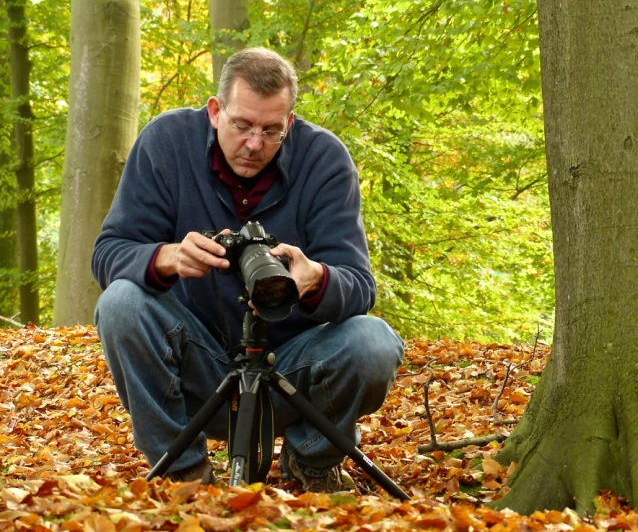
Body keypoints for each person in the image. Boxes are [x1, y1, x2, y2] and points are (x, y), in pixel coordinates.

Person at [91, 47, 405, 492]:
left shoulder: (324, 160)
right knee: (120, 302)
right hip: (195, 361)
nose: (255, 144)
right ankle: (183, 469)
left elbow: (359, 286)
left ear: (290, 124)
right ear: (215, 111)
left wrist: (314, 277)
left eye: (271, 130)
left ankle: (312, 460)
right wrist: (167, 257)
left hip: (293, 369)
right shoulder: (166, 143)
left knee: (374, 342)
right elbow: (108, 253)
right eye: (242, 125)